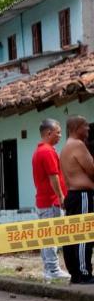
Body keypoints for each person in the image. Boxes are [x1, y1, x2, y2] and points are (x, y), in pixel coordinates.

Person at [31, 119, 70, 281]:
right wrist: (61, 197)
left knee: (46, 235)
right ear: (48, 133)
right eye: (58, 132)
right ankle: (53, 269)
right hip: (51, 201)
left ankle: (49, 269)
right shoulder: (47, 152)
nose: (60, 135)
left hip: (44, 201)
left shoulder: (40, 151)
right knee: (52, 236)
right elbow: (53, 176)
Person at [59, 115, 94, 285]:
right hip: (82, 196)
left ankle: (75, 273)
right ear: (76, 128)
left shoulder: (65, 147)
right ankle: (83, 273)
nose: (88, 129)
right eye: (85, 126)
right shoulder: (78, 145)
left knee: (71, 235)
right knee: (84, 234)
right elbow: (92, 170)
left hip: (72, 196)